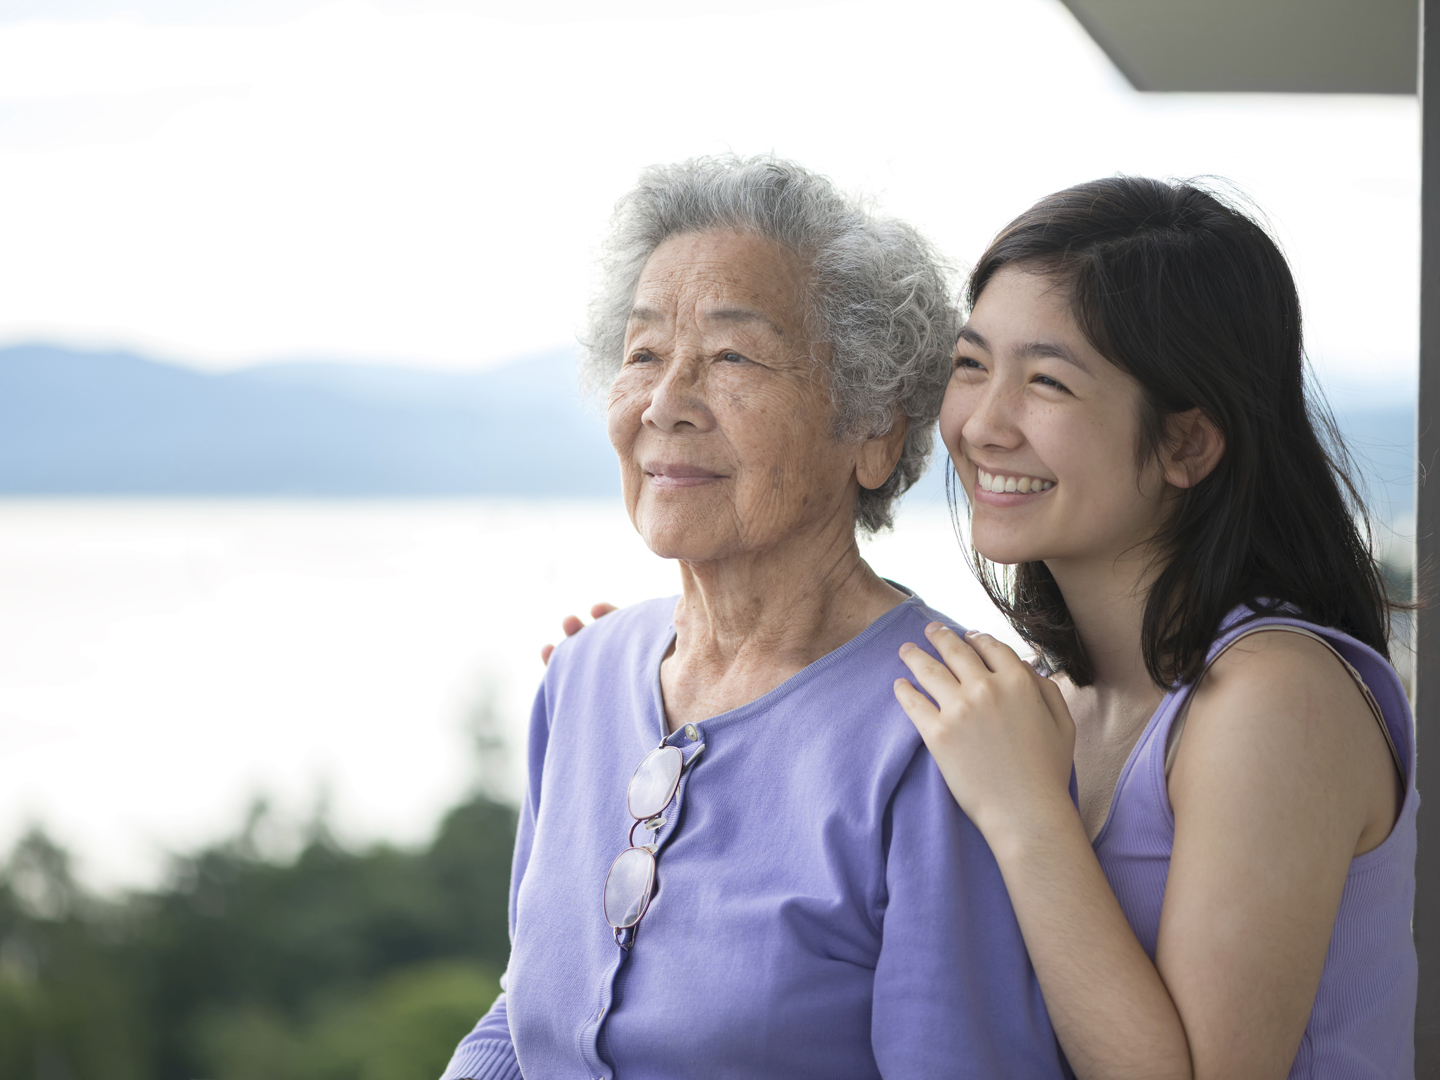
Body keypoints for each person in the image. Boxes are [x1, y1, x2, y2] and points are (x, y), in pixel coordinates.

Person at [438, 156, 1071, 1080]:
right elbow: (525, 1020)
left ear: (873, 429)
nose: (664, 404)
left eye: (731, 357)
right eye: (645, 353)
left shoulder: (949, 722)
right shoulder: (581, 676)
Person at [893, 177, 1417, 1079]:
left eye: (1047, 381)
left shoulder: (1274, 696)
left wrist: (1027, 816)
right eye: (971, 364)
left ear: (1187, 444)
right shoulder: (1062, 699)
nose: (981, 423)